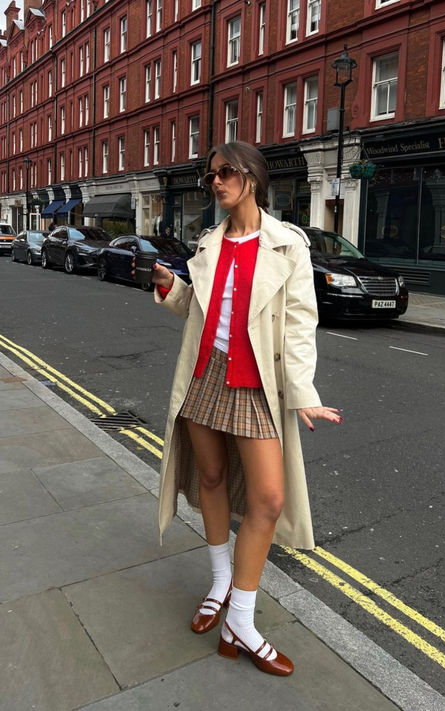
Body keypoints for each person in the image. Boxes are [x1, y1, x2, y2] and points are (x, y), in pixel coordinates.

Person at [147, 141, 342, 676]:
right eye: (210, 174)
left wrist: (304, 391)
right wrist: (172, 287)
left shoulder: (287, 245)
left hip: (255, 382)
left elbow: (301, 324)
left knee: (269, 500)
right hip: (204, 378)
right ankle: (217, 584)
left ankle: (242, 620)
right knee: (210, 479)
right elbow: (201, 311)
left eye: (226, 172)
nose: (216, 182)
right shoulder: (208, 243)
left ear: (252, 178)